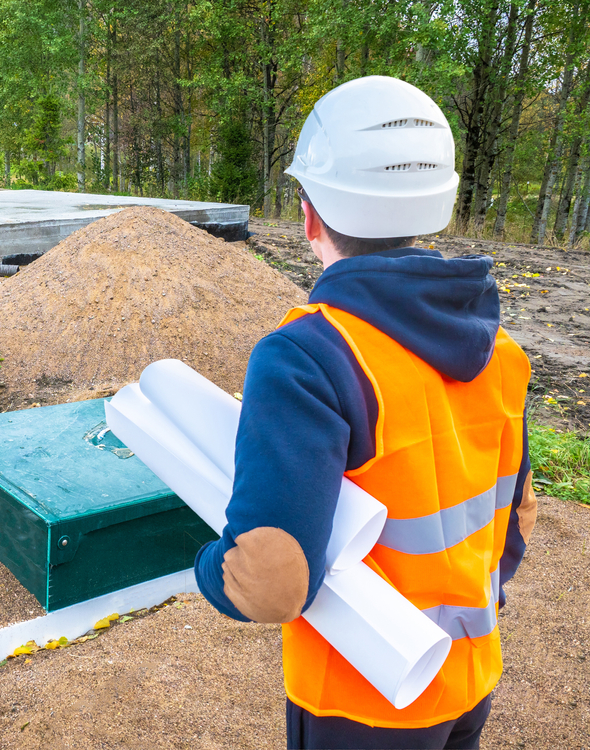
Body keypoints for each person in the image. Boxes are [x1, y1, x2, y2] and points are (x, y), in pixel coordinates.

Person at [193, 76, 537, 750]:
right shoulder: (502, 351)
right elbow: (516, 517)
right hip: (468, 678)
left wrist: (206, 564)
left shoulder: (308, 356)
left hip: (361, 703)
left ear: (310, 215)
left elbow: (270, 582)